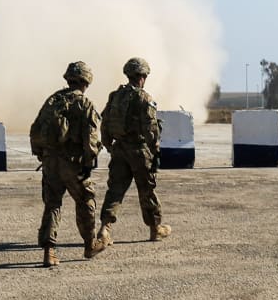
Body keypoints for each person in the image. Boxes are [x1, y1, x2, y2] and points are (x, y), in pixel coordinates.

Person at [29, 61, 106, 267]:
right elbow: (90, 141)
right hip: (72, 164)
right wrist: (89, 162)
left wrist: (41, 155)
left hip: (50, 162)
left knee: (53, 204)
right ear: (85, 81)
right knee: (85, 200)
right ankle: (90, 244)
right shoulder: (85, 104)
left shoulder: (53, 100)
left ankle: (49, 251)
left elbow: (35, 130)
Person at [97, 57, 171, 244]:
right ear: (142, 76)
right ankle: (155, 229)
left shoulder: (115, 96)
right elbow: (151, 128)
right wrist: (155, 150)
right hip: (139, 151)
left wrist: (109, 145)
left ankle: (105, 229)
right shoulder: (144, 98)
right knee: (147, 190)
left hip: (119, 149)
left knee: (115, 191)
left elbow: (105, 122)